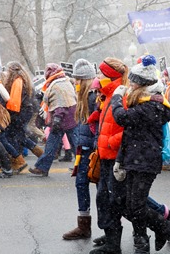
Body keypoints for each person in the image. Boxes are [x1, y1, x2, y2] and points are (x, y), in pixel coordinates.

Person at [89, 56, 170, 254]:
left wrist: (112, 145)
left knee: (130, 204)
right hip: (126, 156)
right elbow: (126, 129)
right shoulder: (129, 96)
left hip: (139, 158)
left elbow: (123, 122)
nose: (98, 77)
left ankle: (169, 230)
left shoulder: (137, 100)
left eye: (101, 74)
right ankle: (145, 240)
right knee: (126, 203)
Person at [111, 55, 170, 253]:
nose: (129, 85)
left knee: (136, 207)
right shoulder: (142, 101)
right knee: (130, 205)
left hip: (145, 161)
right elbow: (129, 135)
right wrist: (120, 160)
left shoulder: (151, 105)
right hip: (134, 159)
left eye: (132, 81)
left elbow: (122, 118)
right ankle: (143, 242)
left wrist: (115, 100)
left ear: (141, 84)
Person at [62, 59, 97, 240]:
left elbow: (96, 126)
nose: (75, 83)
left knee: (104, 192)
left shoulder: (92, 97)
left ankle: (105, 229)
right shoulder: (85, 97)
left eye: (77, 80)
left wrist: (93, 147)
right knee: (81, 184)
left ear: (85, 80)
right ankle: (84, 225)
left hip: (92, 149)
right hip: (85, 148)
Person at [28, 63, 77, 176]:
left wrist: (57, 119)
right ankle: (82, 167)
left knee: (52, 146)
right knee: (75, 145)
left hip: (60, 120)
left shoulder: (56, 85)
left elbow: (60, 104)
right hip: (70, 119)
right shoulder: (65, 81)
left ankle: (42, 168)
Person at [2, 61, 44, 172]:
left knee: (11, 136)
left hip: (19, 113)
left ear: (12, 71)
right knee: (20, 136)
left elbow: (14, 102)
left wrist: (9, 114)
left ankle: (19, 162)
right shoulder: (24, 80)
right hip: (25, 111)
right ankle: (41, 155)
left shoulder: (17, 81)